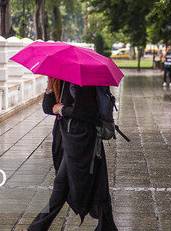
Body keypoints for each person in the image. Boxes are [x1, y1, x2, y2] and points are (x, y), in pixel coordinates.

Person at [29, 80, 118, 231]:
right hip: (69, 140)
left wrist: (63, 109)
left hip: (83, 141)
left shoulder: (82, 83)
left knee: (63, 185)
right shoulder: (61, 81)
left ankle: (37, 227)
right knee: (98, 183)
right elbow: (48, 108)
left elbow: (89, 113)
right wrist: (50, 88)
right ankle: (107, 226)